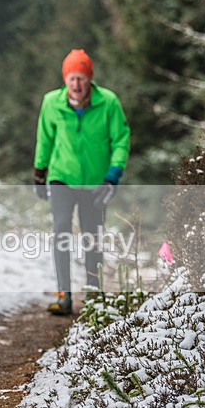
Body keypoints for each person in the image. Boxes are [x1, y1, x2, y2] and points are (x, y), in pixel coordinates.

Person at [33, 49, 131, 315]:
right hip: (61, 178)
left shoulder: (108, 102)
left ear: (90, 79)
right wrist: (39, 174)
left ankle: (94, 295)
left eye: (81, 78)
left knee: (92, 236)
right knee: (61, 228)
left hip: (96, 182)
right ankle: (64, 295)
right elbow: (45, 139)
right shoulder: (51, 102)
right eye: (72, 78)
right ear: (65, 79)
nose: (76, 84)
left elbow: (121, 140)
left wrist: (113, 176)